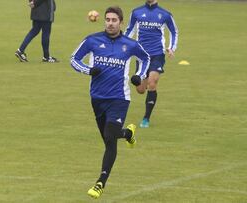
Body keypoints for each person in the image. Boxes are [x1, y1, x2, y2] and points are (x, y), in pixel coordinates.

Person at [70, 6, 150, 199]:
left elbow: (145, 57)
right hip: (97, 98)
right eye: (108, 19)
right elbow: (74, 59)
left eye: (114, 20)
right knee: (109, 141)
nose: (110, 23)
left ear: (121, 22)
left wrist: (139, 75)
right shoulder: (92, 40)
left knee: (110, 132)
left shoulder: (129, 44)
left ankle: (100, 183)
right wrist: (87, 70)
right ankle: (128, 133)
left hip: (119, 98)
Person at [125, 0, 178, 128]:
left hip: (157, 54)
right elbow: (129, 30)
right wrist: (122, 44)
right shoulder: (136, 12)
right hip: (141, 56)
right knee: (140, 89)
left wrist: (171, 47)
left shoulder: (165, 14)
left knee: (152, 83)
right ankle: (143, 80)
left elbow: (174, 31)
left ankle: (146, 119)